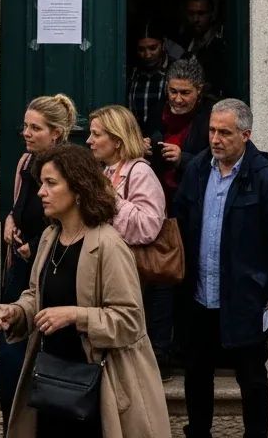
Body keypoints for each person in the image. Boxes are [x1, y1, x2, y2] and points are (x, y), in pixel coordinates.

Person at [0, 143, 171, 438]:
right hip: (50, 381)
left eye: (51, 183)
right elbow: (37, 296)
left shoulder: (109, 245)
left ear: (78, 189)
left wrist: (76, 316)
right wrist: (17, 311)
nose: (40, 192)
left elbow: (130, 320)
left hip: (97, 388)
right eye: (41, 184)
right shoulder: (50, 237)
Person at [175, 98, 268, 438]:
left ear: (245, 135)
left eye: (225, 133)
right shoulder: (198, 170)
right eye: (212, 131)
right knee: (196, 372)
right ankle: (198, 431)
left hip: (247, 297)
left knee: (251, 376)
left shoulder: (266, 179)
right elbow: (181, 224)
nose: (215, 139)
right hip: (200, 295)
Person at [0, 93, 78, 431]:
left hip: (49, 273)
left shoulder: (68, 167)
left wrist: (39, 250)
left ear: (56, 133)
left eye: (35, 128)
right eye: (25, 126)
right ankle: (11, 425)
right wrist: (10, 221)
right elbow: (19, 205)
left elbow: (66, 221)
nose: (26, 133)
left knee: (32, 364)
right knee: (6, 358)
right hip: (21, 273)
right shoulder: (25, 164)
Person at [87, 104, 169, 370]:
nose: (89, 141)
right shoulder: (107, 172)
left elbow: (148, 226)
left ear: (117, 141)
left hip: (133, 273)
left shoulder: (140, 172)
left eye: (96, 134)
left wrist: (112, 199)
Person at [145, 57, 212, 206]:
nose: (178, 99)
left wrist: (183, 159)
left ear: (199, 90)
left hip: (194, 201)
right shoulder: (157, 112)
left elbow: (218, 162)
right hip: (158, 199)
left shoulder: (211, 118)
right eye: (173, 91)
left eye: (185, 93)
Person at [126, 24, 174, 134]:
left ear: (163, 45)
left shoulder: (174, 70)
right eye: (141, 49)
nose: (147, 55)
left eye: (153, 48)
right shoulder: (132, 72)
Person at [183, 0, 228, 98]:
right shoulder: (183, 42)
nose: (196, 19)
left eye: (201, 13)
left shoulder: (220, 44)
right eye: (191, 14)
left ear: (211, 14)